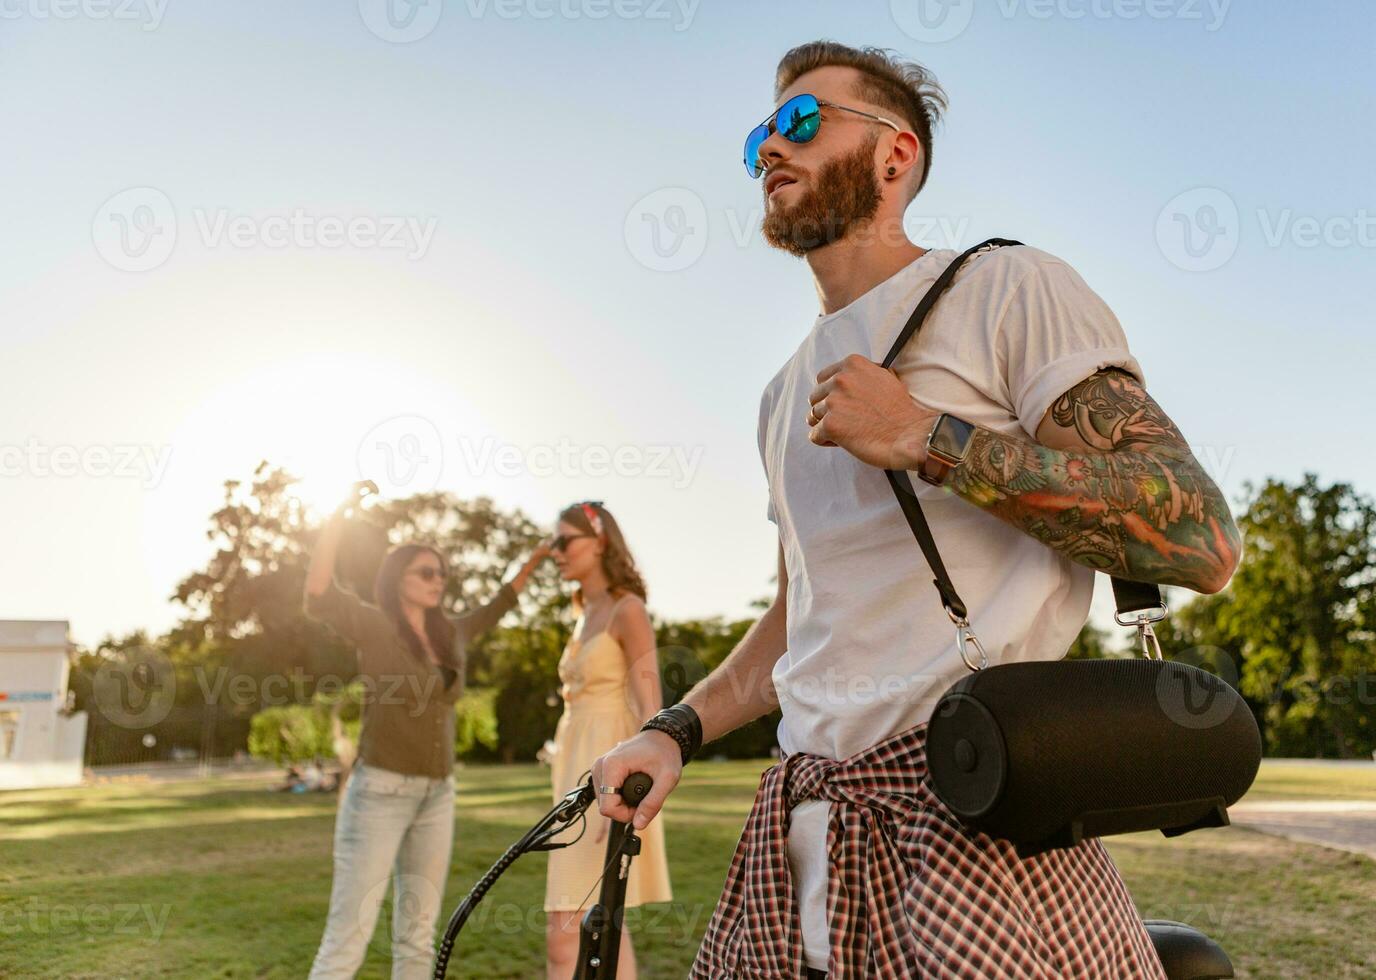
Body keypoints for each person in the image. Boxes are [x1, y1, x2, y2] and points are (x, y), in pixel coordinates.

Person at [592, 41, 1243, 979]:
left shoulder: (1006, 287)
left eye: (802, 122)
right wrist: (673, 729)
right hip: (801, 820)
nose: (772, 149)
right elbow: (799, 621)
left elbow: (1199, 535)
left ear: (895, 155)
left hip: (971, 809)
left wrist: (930, 437)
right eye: (759, 138)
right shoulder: (784, 394)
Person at [303, 491, 551, 978]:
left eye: (442, 573)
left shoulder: (451, 634)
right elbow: (317, 593)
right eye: (427, 572)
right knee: (348, 934)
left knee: (417, 936)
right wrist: (336, 513)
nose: (439, 581)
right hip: (379, 792)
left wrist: (537, 556)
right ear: (398, 579)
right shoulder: (373, 626)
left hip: (438, 793)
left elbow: (502, 602)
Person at [543, 500, 672, 980]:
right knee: (601, 927)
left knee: (568, 932)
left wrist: (619, 791)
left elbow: (650, 707)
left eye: (562, 541)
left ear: (599, 542)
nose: (554, 552)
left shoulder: (626, 608)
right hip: (573, 775)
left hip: (607, 781)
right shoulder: (582, 609)